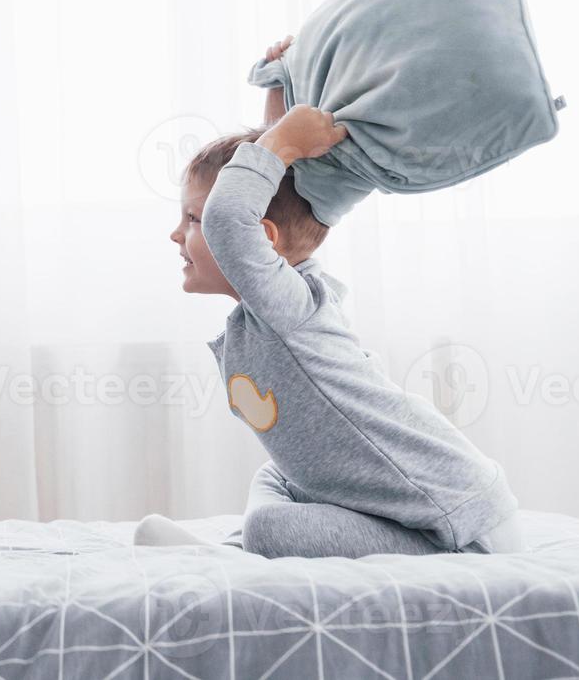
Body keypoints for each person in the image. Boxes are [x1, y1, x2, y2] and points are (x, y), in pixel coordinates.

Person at [137, 35, 524, 558]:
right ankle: (233, 549)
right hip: (391, 504)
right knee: (279, 476)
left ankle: (230, 555)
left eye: (191, 220)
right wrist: (279, 104)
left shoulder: (290, 306)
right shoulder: (269, 306)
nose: (176, 235)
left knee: (268, 529)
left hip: (455, 528)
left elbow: (235, 214)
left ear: (260, 239)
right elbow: (275, 189)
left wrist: (283, 145)